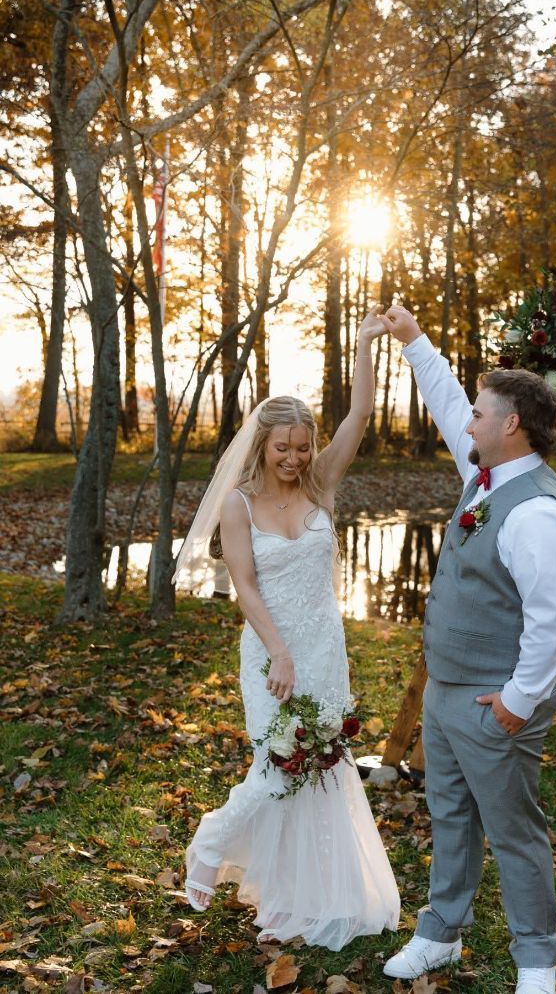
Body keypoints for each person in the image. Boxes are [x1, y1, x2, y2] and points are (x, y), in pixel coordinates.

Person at [172, 308, 399, 951]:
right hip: (273, 649)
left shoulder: (322, 482)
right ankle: (213, 841)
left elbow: (357, 417)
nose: (295, 459)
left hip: (325, 646)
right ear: (262, 445)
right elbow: (243, 583)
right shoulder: (239, 503)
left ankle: (315, 891)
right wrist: (277, 652)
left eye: (302, 447)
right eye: (284, 449)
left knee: (325, 765)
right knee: (278, 766)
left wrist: (362, 345)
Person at [380, 305, 556, 994]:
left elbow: (552, 623)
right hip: (445, 691)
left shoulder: (536, 512)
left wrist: (516, 704)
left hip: (494, 701)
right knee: (450, 815)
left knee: (514, 830)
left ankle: (534, 961)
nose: (467, 422)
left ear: (510, 425)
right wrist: (413, 340)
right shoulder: (484, 475)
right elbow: (444, 402)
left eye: (480, 413)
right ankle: (440, 934)